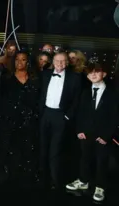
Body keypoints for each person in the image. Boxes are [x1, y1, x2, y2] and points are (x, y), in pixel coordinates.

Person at [65, 63, 118, 202]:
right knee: (85, 158)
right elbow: (80, 113)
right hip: (86, 133)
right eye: (90, 73)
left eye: (97, 72)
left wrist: (107, 135)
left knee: (102, 160)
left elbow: (115, 117)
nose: (93, 75)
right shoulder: (85, 92)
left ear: (104, 74)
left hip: (103, 135)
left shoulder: (113, 94)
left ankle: (100, 186)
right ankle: (83, 181)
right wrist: (79, 130)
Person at [0, 52, 41, 186]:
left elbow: (37, 99)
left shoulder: (35, 78)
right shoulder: (6, 77)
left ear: (27, 62)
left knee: (26, 146)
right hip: (9, 118)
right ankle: (5, 172)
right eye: (17, 60)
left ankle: (24, 175)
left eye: (23, 60)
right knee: (7, 145)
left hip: (28, 119)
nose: (20, 62)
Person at [39, 52, 82, 189]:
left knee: (56, 149)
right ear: (53, 61)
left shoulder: (75, 78)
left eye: (63, 61)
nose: (59, 63)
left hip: (60, 115)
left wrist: (67, 116)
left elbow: (76, 101)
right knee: (43, 145)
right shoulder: (45, 74)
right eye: (57, 61)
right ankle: (42, 176)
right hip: (45, 113)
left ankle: (54, 179)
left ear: (67, 63)